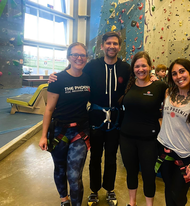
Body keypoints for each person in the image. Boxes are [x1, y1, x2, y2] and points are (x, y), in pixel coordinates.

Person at [49, 32, 131, 206]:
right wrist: (57, 76)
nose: (111, 46)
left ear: (119, 46)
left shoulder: (125, 68)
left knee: (111, 157)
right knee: (95, 156)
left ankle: (109, 189)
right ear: (102, 46)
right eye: (108, 43)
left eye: (115, 43)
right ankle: (94, 190)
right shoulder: (92, 66)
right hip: (94, 119)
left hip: (115, 119)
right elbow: (74, 71)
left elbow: (136, 82)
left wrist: (152, 79)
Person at [39, 42, 91, 206]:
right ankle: (64, 199)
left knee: (75, 175)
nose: (79, 58)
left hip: (79, 133)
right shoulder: (57, 79)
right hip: (59, 133)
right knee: (60, 168)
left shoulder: (89, 78)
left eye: (82, 55)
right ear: (69, 57)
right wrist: (43, 136)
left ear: (86, 58)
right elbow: (49, 109)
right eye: (75, 54)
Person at [157, 58, 190, 206]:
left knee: (179, 195)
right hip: (164, 151)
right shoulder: (168, 92)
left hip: (184, 155)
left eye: (182, 71)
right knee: (168, 190)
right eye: (174, 73)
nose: (178, 76)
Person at [119, 51, 168, 206]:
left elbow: (169, 109)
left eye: (144, 66)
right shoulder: (129, 85)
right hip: (127, 138)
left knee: (148, 174)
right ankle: (132, 202)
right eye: (137, 66)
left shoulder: (159, 86)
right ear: (133, 68)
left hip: (149, 140)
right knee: (131, 172)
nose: (140, 69)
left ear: (150, 67)